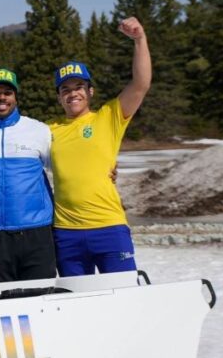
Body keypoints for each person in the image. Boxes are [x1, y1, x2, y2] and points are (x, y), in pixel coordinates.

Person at [49, 17, 151, 276]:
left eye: (79, 87)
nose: (73, 93)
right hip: (66, 234)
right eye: (66, 89)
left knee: (123, 301)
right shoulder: (48, 131)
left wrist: (139, 39)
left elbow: (140, 85)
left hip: (109, 228)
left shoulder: (109, 117)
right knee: (77, 307)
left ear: (90, 91)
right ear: (59, 96)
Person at [0, 68, 55, 283]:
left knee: (41, 300)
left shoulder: (39, 130)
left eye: (7, 92)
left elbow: (62, 171)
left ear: (16, 97)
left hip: (37, 232)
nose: (2, 97)